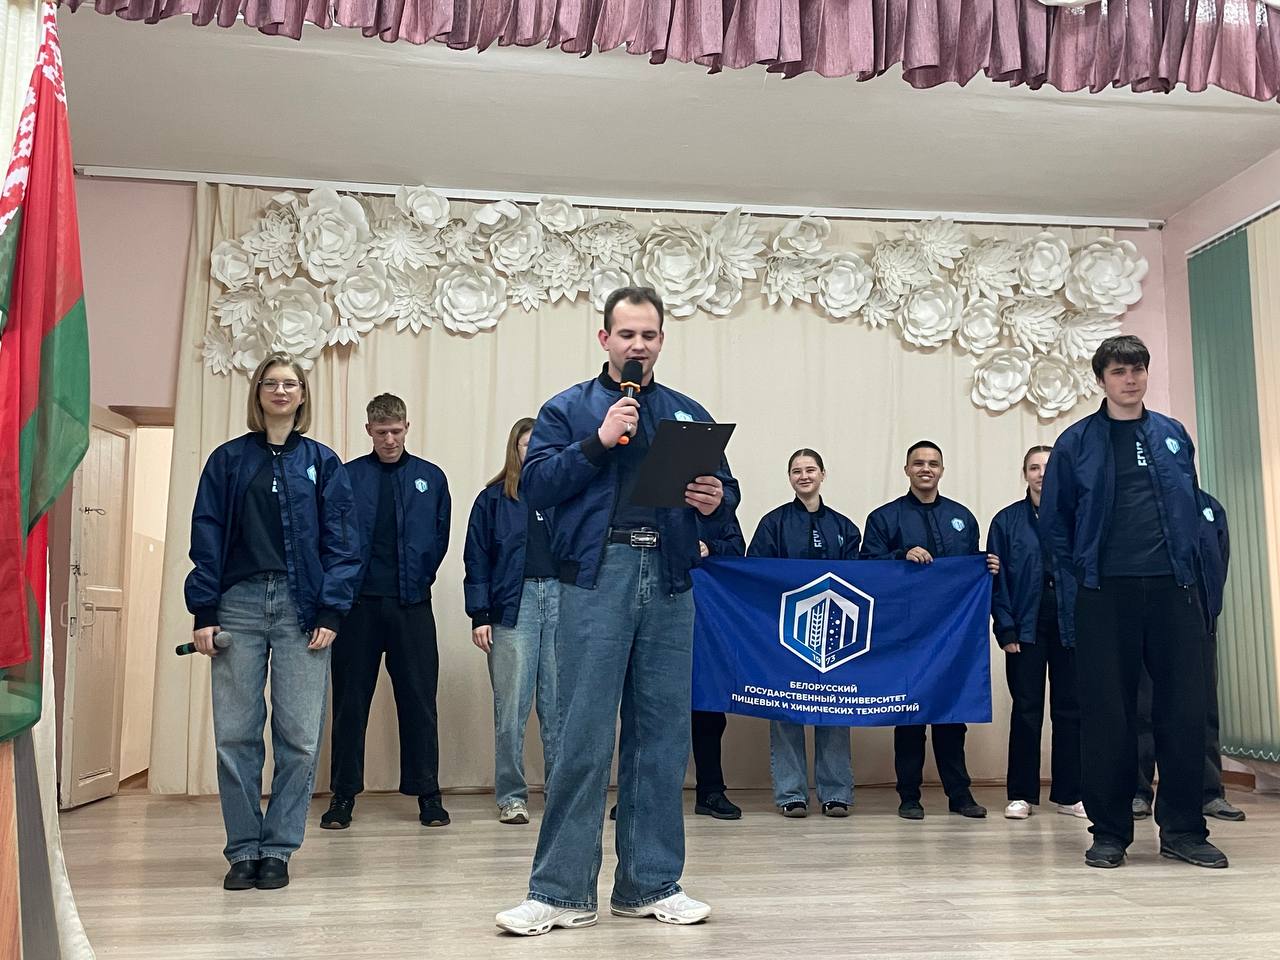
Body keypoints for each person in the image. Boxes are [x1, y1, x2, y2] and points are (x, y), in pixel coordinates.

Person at [495, 286, 738, 937]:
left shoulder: (687, 414)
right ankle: (560, 891)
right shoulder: (568, 409)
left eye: (648, 335)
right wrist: (598, 442)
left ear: (661, 341)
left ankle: (650, 884)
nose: (638, 345)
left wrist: (716, 499)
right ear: (604, 338)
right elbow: (535, 486)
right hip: (596, 578)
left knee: (660, 739)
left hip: (670, 579)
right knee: (582, 736)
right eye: (627, 334)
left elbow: (727, 493)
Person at [1040, 334, 1228, 869]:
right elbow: (1055, 524)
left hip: (1174, 591)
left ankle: (1184, 830)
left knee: (1184, 712)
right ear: (1101, 380)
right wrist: (1084, 576)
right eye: (1120, 371)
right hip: (1105, 594)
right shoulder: (1075, 442)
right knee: (1108, 715)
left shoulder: (1172, 435)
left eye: (1138, 369)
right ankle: (1109, 832)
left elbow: (1192, 510)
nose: (1130, 379)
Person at [185, 352, 360, 891]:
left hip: (301, 609)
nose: (281, 391)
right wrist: (204, 610)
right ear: (257, 392)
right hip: (236, 605)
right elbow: (207, 534)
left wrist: (331, 610)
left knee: (300, 738)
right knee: (235, 736)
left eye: (290, 384)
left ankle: (278, 849)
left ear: (303, 395)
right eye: (271, 383)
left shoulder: (323, 463)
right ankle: (243, 848)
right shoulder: (227, 461)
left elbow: (342, 543)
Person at [321, 394, 451, 831]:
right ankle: (343, 795)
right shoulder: (348, 476)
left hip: (411, 607)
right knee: (350, 704)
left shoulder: (430, 478)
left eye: (396, 431)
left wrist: (420, 579)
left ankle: (428, 794)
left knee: (419, 701)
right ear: (369, 431)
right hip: (358, 608)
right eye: (381, 433)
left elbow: (439, 537)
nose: (390, 439)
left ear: (407, 427)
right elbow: (332, 536)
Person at [861, 440, 999, 821]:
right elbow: (866, 568)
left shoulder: (962, 517)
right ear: (906, 469)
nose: (926, 469)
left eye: (933, 463)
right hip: (904, 636)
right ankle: (909, 796)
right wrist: (899, 556)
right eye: (918, 463)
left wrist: (986, 568)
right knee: (909, 717)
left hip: (952, 635)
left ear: (942, 470)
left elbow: (968, 569)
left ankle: (960, 794)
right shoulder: (884, 518)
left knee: (952, 715)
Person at [747, 449, 861, 819]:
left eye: (810, 469)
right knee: (786, 709)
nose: (804, 476)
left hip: (835, 634)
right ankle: (791, 794)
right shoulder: (773, 524)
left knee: (834, 708)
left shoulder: (845, 527)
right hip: (786, 632)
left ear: (823, 474)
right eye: (796, 471)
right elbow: (754, 573)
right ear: (790, 478)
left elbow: (862, 579)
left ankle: (836, 793)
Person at [464, 417, 561, 826]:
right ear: (515, 450)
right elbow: (476, 558)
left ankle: (561, 794)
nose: (534, 450)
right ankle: (511, 797)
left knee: (559, 709)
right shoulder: (492, 499)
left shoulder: (565, 496)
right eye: (526, 444)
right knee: (511, 709)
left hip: (561, 603)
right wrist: (480, 614)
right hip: (512, 607)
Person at [1133, 491, 1244, 822]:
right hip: (1149, 620)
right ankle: (1138, 792)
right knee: (1142, 708)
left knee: (1202, 709)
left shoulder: (1210, 507)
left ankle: (1209, 792)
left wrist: (1209, 611)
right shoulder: (1143, 501)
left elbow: (1218, 562)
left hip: (1198, 622)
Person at [987, 445, 1085, 821]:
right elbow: (997, 583)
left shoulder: (1078, 517)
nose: (1042, 473)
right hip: (1025, 627)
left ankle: (1070, 794)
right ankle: (1021, 794)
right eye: (1034, 467)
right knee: (1027, 710)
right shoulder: (1006, 521)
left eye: (1049, 467)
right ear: (1024, 474)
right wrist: (1006, 627)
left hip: (1070, 625)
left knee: (1070, 711)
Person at [689, 512, 747, 820]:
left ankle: (710, 791)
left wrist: (710, 547)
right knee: (649, 712)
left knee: (708, 712)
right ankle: (640, 793)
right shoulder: (652, 502)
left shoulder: (717, 509)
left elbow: (738, 547)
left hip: (708, 624)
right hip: (656, 614)